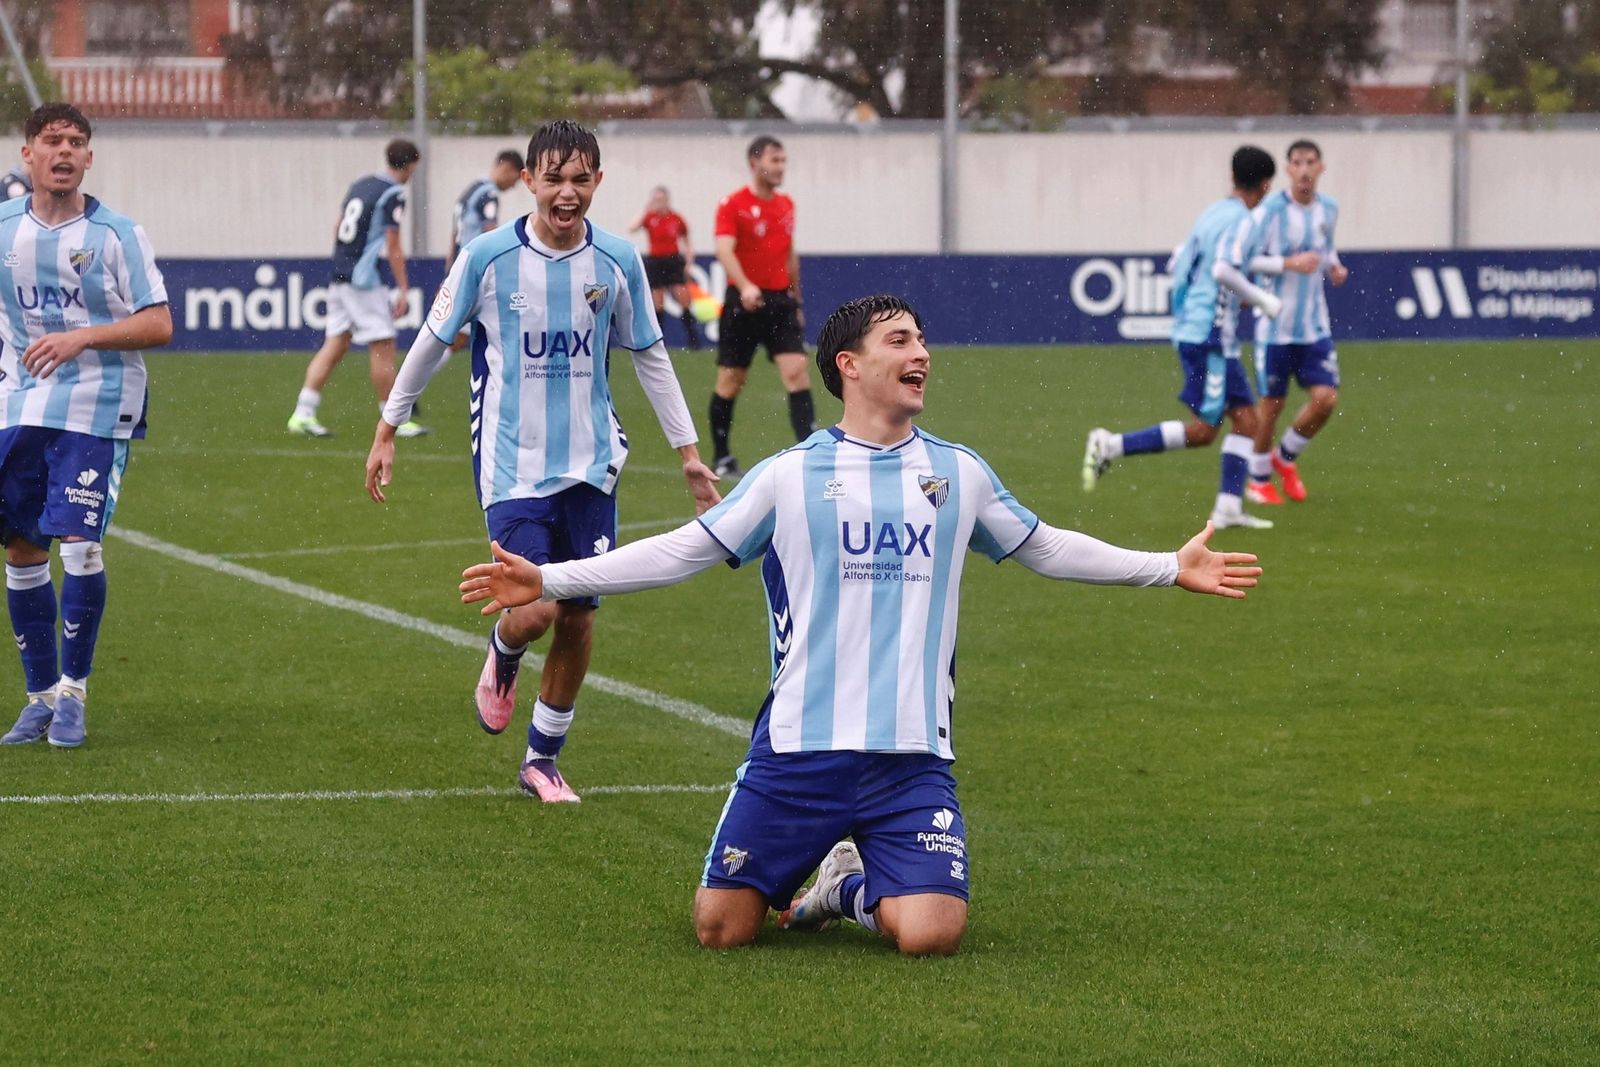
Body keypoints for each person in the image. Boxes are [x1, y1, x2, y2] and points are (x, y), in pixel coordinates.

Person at [459, 294, 1262, 954]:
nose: (922, 354)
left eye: (923, 339)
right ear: (849, 364)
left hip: (911, 756)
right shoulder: (790, 474)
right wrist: (550, 576)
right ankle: (813, 861)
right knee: (720, 930)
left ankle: (842, 887)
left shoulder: (959, 471)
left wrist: (1167, 564)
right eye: (901, 339)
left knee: (932, 936)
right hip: (798, 751)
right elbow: (682, 552)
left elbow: (1046, 547)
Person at [365, 120, 720, 803]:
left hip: (592, 465)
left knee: (580, 614)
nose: (567, 193)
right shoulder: (487, 257)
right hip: (511, 466)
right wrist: (388, 426)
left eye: (580, 179)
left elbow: (649, 354)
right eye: (553, 178)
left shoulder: (617, 260)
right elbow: (433, 340)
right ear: (528, 180)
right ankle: (504, 647)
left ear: (597, 183)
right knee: (533, 611)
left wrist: (688, 453)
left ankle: (542, 758)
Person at [0, 104, 173, 748]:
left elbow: (159, 323)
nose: (64, 151)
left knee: (78, 542)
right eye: (52, 141)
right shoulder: (4, 230)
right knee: (21, 551)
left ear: (89, 158)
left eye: (76, 142)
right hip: (20, 403)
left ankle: (73, 693)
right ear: (29, 154)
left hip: (99, 402)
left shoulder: (118, 234)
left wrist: (84, 339)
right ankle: (38, 697)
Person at [1081, 145, 1285, 530]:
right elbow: (1224, 270)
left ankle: (1228, 508)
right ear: (1265, 185)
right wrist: (1261, 300)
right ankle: (1110, 444)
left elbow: (1181, 260)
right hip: (1208, 333)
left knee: (1248, 420)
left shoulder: (1212, 213)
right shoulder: (1244, 220)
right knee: (1207, 430)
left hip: (1206, 330)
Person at [287, 139, 426, 439]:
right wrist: (403, 286)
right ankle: (395, 418)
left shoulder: (361, 184)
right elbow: (393, 243)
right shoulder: (393, 193)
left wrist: (343, 262)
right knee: (383, 347)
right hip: (364, 282)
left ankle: (302, 413)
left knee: (335, 345)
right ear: (411, 164)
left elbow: (338, 227)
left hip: (340, 274)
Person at [1244, 140, 1348, 506]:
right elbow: (1247, 260)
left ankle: (1283, 457)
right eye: (1297, 163)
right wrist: (1288, 264)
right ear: (1288, 170)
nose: (1304, 169)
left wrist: (1333, 265)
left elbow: (1326, 246)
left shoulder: (1329, 209)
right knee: (1270, 406)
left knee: (1325, 400)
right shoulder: (1270, 210)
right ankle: (1258, 480)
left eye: (1311, 162)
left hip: (1314, 326)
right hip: (1275, 327)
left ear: (1321, 168)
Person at [707, 135, 814, 480]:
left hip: (780, 302)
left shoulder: (788, 205)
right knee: (730, 380)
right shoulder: (732, 204)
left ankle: (810, 453)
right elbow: (724, 250)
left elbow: (789, 254)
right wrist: (745, 284)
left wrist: (796, 298)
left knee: (797, 371)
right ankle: (722, 456)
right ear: (755, 163)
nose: (781, 167)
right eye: (775, 160)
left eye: (784, 161)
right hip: (744, 304)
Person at [629, 185, 701, 350]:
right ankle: (658, 340)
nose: (659, 202)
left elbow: (686, 239)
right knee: (658, 302)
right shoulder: (649, 217)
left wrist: (689, 260)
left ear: (668, 200)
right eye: (656, 199)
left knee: (683, 297)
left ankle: (693, 338)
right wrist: (646, 208)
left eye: (662, 199)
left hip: (673, 260)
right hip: (655, 261)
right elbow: (632, 228)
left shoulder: (676, 218)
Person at [450, 149, 524, 264]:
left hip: (459, 259)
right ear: (506, 168)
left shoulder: (473, 189)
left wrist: (450, 267)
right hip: (474, 262)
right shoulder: (489, 195)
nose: (513, 186)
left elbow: (455, 232)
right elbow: (490, 229)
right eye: (515, 180)